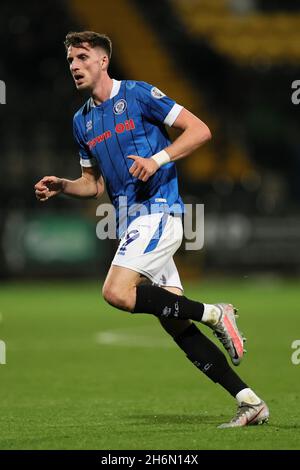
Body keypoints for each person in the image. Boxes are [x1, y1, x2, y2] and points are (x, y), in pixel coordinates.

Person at [34, 31, 269, 428]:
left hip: (159, 213)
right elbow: (93, 185)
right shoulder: (81, 121)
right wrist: (65, 186)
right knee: (178, 324)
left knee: (116, 292)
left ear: (104, 61)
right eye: (70, 59)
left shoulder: (140, 94)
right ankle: (250, 402)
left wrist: (157, 159)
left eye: (82, 57)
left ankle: (216, 313)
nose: (74, 65)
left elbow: (200, 130)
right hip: (131, 224)